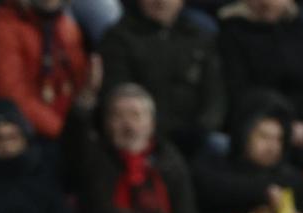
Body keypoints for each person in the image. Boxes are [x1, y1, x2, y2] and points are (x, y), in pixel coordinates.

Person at [77, 85, 200, 213]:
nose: (128, 126)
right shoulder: (93, 160)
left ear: (151, 123)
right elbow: (73, 141)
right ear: (106, 123)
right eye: (118, 117)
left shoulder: (170, 162)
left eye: (135, 116)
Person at [216, 0, 303, 155]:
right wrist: (283, 125)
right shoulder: (232, 31)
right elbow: (239, 90)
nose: (267, 3)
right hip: (256, 126)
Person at [96, 0, 224, 155]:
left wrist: (203, 127)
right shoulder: (118, 38)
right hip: (144, 138)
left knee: (220, 146)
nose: (161, 1)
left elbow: (215, 94)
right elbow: (118, 94)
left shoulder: (199, 36)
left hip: (196, 137)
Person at [0, 0, 91, 145]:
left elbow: (77, 81)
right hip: (33, 137)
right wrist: (64, 132)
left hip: (69, 130)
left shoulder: (64, 23)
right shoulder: (0, 24)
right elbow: (12, 96)